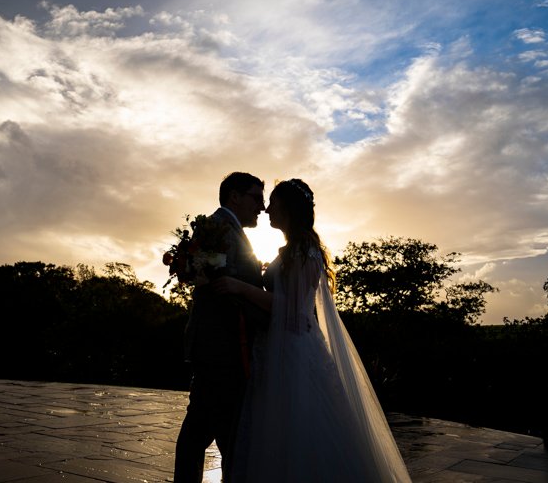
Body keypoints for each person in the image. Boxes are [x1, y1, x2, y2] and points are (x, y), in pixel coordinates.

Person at [212, 179, 411, 482]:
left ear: (289, 209)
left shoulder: (305, 250)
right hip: (277, 345)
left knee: (298, 426)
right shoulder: (293, 249)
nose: (266, 209)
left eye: (274, 203)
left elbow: (289, 307)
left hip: (294, 350)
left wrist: (240, 287)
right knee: (277, 428)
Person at [174, 172, 267, 483]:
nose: (262, 206)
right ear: (234, 197)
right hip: (222, 346)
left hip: (219, 346)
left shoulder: (225, 228)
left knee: (214, 428)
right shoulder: (220, 228)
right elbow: (223, 289)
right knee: (213, 431)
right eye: (256, 197)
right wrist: (270, 312)